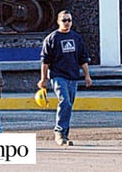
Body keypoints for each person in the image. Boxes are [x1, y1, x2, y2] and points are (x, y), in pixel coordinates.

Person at [37, 10, 92, 146]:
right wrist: (43, 79)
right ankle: (59, 132)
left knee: (69, 105)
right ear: (58, 22)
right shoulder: (52, 38)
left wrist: (87, 75)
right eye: (64, 20)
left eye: (69, 20)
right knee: (65, 101)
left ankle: (65, 135)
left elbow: (82, 58)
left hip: (73, 76)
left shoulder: (76, 38)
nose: (67, 23)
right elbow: (45, 61)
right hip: (58, 76)